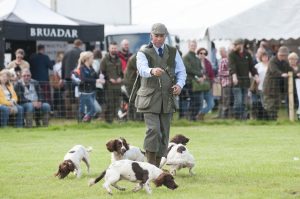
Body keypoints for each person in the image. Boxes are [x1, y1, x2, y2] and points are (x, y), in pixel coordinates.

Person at [135, 23, 186, 166]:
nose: (158, 38)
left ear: (165, 36)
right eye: (156, 36)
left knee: (164, 134)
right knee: (154, 130)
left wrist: (179, 85)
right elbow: (142, 68)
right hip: (149, 98)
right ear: (151, 36)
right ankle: (150, 165)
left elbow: (181, 71)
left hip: (167, 97)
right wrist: (151, 71)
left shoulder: (173, 52)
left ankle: (156, 168)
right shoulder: (143, 52)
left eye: (161, 36)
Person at [229, 38, 259, 120]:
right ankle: (237, 118)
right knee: (238, 101)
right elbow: (232, 66)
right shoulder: (232, 54)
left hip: (245, 81)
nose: (234, 46)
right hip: (236, 82)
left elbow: (251, 66)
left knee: (244, 102)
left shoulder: (247, 54)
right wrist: (234, 76)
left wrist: (256, 75)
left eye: (236, 45)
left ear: (241, 45)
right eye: (234, 45)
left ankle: (243, 118)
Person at [263, 46, 292, 120]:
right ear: (282, 55)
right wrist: (282, 74)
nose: (286, 57)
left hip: (278, 87)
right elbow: (274, 70)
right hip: (270, 86)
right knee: (270, 104)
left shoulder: (284, 62)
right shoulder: (272, 60)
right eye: (285, 55)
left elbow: (290, 69)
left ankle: (274, 119)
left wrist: (296, 73)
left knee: (277, 103)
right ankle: (268, 119)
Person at [101, 41, 123, 123]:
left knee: (117, 103)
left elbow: (121, 72)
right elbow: (102, 72)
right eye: (112, 48)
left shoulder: (119, 60)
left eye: (115, 48)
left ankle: (116, 120)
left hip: (117, 85)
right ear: (109, 49)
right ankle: (108, 121)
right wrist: (109, 79)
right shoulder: (104, 59)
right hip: (108, 85)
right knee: (109, 103)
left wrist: (120, 78)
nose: (114, 49)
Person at [77, 51, 102, 122]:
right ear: (87, 59)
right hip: (85, 92)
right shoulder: (82, 68)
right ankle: (83, 121)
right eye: (92, 58)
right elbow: (83, 79)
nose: (93, 60)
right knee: (93, 109)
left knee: (96, 109)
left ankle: (85, 122)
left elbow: (96, 77)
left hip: (92, 92)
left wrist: (101, 78)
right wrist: (95, 81)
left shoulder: (91, 68)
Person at [61, 39, 83, 118]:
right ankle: (77, 114)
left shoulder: (66, 52)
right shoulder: (81, 53)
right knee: (77, 96)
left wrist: (62, 77)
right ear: (81, 44)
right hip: (77, 78)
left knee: (68, 96)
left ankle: (68, 115)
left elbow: (63, 66)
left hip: (67, 78)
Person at [181, 40, 200, 120]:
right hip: (189, 82)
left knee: (197, 101)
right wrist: (200, 74)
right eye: (191, 45)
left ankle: (193, 117)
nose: (193, 46)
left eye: (194, 45)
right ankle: (190, 117)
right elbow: (188, 69)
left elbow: (200, 68)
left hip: (196, 82)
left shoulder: (196, 58)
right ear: (188, 46)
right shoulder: (186, 57)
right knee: (192, 100)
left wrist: (202, 76)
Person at [196, 47, 215, 120]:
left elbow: (212, 75)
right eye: (201, 53)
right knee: (199, 103)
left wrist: (211, 81)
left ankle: (200, 114)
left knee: (211, 104)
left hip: (207, 86)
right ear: (198, 54)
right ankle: (198, 118)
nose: (202, 55)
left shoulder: (208, 63)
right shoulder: (195, 62)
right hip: (198, 86)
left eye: (204, 53)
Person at [251, 51, 269, 119]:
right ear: (261, 58)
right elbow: (252, 73)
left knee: (264, 102)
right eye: (263, 57)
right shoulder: (258, 65)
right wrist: (256, 78)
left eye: (266, 57)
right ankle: (254, 116)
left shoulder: (270, 65)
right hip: (257, 86)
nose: (265, 58)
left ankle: (264, 116)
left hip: (267, 86)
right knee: (255, 102)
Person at [218, 47, 232, 119]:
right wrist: (230, 73)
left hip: (232, 84)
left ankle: (226, 116)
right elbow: (220, 72)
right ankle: (223, 117)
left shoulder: (232, 60)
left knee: (228, 100)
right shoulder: (224, 60)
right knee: (225, 101)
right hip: (225, 83)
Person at [51, 52, 65, 117]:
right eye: (60, 56)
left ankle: (60, 113)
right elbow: (54, 75)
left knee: (60, 99)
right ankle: (58, 113)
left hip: (62, 84)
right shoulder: (56, 65)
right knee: (58, 98)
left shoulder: (56, 65)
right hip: (59, 84)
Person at [287, 52, 300, 117]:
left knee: (298, 103)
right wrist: (296, 75)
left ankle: (298, 116)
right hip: (289, 88)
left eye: (294, 59)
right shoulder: (286, 67)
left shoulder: (299, 67)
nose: (292, 60)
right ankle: (290, 117)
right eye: (290, 59)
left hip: (298, 88)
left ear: (297, 60)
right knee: (289, 103)